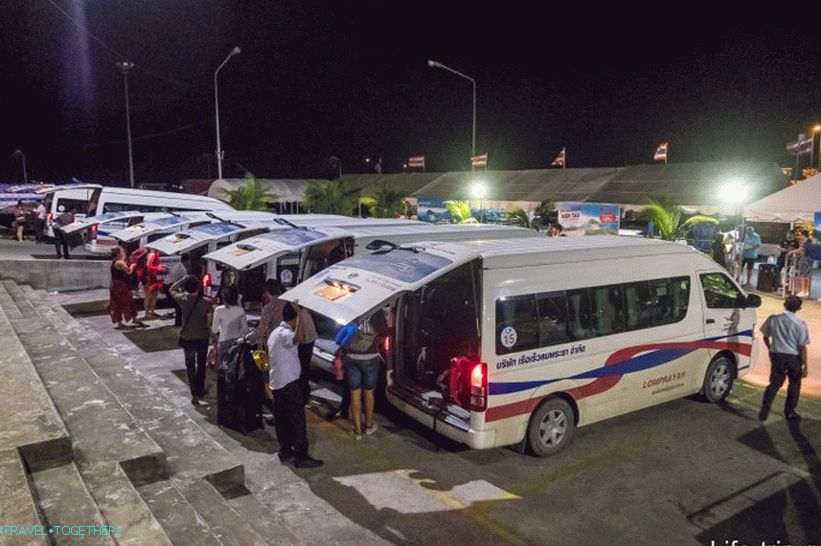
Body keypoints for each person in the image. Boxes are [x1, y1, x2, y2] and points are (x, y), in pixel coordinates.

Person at [267, 302, 324, 468]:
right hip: (288, 383)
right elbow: (296, 338)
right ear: (293, 319)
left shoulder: (275, 332)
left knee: (282, 419)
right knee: (297, 420)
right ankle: (301, 456)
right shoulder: (285, 333)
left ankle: (285, 450)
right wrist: (300, 315)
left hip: (277, 383)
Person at [759, 296, 810, 421]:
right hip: (793, 357)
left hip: (777, 355)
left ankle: (765, 407)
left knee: (775, 383)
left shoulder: (774, 319)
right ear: (799, 308)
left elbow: (765, 336)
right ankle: (789, 411)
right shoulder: (800, 325)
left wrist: (771, 348)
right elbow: (802, 347)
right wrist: (805, 366)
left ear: (784, 304)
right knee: (794, 384)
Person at [341, 311, 388, 440]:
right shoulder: (377, 313)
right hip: (370, 358)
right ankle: (369, 425)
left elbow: (342, 334)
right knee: (369, 392)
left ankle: (357, 432)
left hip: (351, 357)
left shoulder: (352, 310)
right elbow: (384, 335)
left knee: (354, 393)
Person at [172, 275, 212, 406]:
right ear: (198, 287)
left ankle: (194, 393)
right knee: (201, 364)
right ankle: (200, 390)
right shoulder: (206, 302)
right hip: (203, 337)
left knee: (190, 365)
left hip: (188, 337)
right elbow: (209, 323)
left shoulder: (183, 299)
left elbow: (172, 289)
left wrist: (182, 280)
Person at [108, 247, 143, 330]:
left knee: (116, 303)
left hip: (113, 284)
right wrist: (133, 266)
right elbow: (128, 272)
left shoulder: (113, 262)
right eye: (122, 252)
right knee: (128, 300)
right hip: (120, 285)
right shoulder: (120, 262)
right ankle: (133, 318)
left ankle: (120, 323)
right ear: (118, 254)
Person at [211, 285, 248, 366]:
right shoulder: (240, 310)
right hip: (237, 341)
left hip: (223, 340)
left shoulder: (219, 310)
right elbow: (245, 330)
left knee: (223, 367)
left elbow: (214, 330)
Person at [255, 279, 287, 346]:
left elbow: (261, 331)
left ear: (267, 292)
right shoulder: (288, 303)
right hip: (290, 341)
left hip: (275, 342)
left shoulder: (269, 308)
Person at [295, 306, 318, 400]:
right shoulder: (305, 308)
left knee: (302, 367)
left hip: (304, 339)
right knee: (305, 366)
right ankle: (304, 389)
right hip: (309, 338)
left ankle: (303, 391)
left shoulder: (298, 309)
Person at [165, 254, 190, 326]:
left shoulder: (178, 265)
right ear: (187, 261)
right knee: (178, 305)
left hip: (167, 284)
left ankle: (178, 322)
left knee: (177, 305)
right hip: (170, 285)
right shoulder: (182, 269)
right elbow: (185, 281)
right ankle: (178, 323)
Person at [790, 230, 816, 298]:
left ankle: (803, 291)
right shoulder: (811, 242)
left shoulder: (806, 242)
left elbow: (799, 250)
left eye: (801, 235)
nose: (800, 237)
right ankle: (806, 291)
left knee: (802, 275)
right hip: (810, 260)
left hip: (805, 261)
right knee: (807, 277)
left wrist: (791, 252)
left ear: (803, 235)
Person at [142, 250, 166, 319]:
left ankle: (152, 311)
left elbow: (155, 264)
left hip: (155, 278)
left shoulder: (156, 254)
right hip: (150, 278)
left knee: (155, 295)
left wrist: (160, 266)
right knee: (148, 296)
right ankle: (147, 313)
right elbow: (148, 266)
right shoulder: (152, 255)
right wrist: (158, 268)